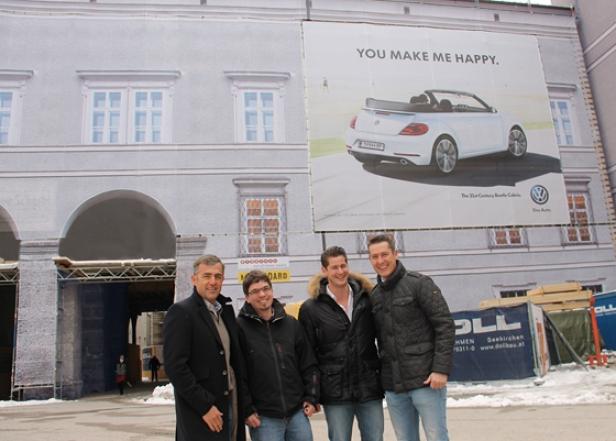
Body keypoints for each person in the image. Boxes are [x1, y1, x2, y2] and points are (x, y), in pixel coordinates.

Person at [367, 234, 455, 441]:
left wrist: (440, 369)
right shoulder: (375, 295)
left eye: (385, 254)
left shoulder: (420, 284)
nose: (380, 261)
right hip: (394, 387)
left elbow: (445, 326)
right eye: (375, 256)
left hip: (426, 381)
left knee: (436, 437)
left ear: (396, 254)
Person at [299, 246, 384, 441]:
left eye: (343, 266)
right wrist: (312, 394)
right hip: (335, 392)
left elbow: (383, 337)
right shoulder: (311, 308)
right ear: (324, 270)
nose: (340, 272)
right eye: (334, 267)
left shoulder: (367, 299)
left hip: (369, 388)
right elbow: (308, 355)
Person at [163, 255, 245, 441]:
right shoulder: (181, 313)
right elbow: (175, 367)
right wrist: (204, 406)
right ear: (194, 279)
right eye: (206, 276)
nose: (213, 282)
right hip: (201, 412)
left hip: (230, 403)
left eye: (218, 276)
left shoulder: (225, 312)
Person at [236, 270, 319, 441]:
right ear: (247, 298)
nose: (262, 294)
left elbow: (308, 364)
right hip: (264, 419)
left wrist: (312, 397)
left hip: (297, 414)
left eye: (266, 288)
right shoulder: (239, 329)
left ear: (272, 291)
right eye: (255, 291)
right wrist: (247, 410)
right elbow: (238, 374)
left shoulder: (291, 324)